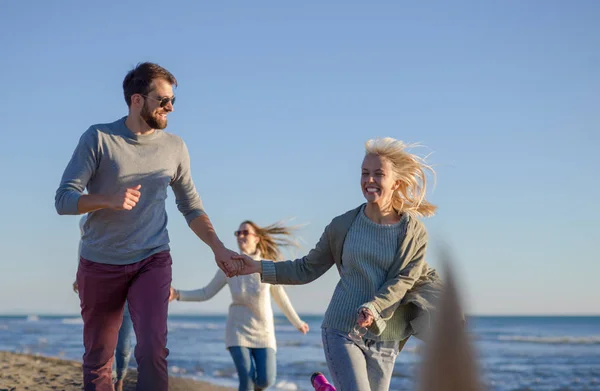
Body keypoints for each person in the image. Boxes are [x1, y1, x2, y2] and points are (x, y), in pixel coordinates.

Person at [54, 62, 240, 391]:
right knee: (99, 356)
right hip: (100, 261)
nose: (170, 107)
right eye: (162, 100)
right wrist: (108, 199)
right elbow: (64, 199)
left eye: (173, 101)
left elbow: (191, 205)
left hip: (151, 259)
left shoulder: (175, 147)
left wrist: (218, 247)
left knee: (153, 349)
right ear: (137, 100)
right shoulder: (99, 138)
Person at [233, 137, 444, 391]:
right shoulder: (342, 225)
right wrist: (258, 267)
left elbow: (403, 279)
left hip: (385, 338)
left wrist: (374, 308)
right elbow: (306, 268)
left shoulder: (413, 232)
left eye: (379, 174)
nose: (370, 180)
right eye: (365, 173)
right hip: (342, 328)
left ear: (395, 182)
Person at [170, 220, 310, 391]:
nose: (241, 236)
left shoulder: (265, 266)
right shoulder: (228, 265)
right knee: (246, 380)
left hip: (264, 333)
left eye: (245, 232)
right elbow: (206, 293)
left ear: (257, 238)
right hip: (237, 331)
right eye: (238, 233)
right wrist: (177, 294)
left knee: (266, 380)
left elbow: (282, 299)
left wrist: (298, 323)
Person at [72, 215, 134, 391]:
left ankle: (120, 380)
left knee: (123, 345)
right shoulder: (85, 219)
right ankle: (109, 383)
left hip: (128, 288)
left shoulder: (129, 216)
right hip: (101, 286)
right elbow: (84, 245)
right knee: (104, 343)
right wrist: (80, 274)